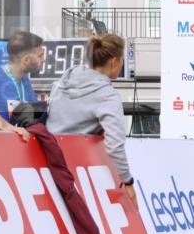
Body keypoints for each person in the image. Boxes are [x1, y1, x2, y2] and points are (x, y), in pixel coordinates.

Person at [45, 34, 137, 209]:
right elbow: (115, 145)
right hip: (76, 170)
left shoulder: (67, 76)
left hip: (46, 159)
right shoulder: (107, 96)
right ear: (114, 61)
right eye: (123, 59)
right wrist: (128, 181)